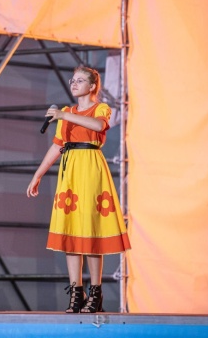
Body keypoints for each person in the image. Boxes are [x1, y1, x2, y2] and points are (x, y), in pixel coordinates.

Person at [27, 65, 131, 313]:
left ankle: (95, 292)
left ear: (92, 86)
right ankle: (76, 291)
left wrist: (64, 116)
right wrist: (37, 175)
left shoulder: (100, 108)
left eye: (80, 80)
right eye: (72, 80)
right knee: (71, 231)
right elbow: (57, 146)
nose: (74, 83)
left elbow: (98, 126)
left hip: (91, 168)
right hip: (70, 171)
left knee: (91, 230)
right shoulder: (66, 113)